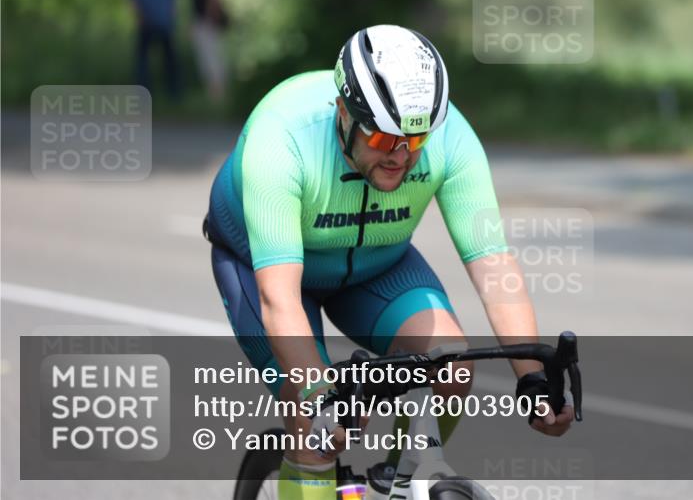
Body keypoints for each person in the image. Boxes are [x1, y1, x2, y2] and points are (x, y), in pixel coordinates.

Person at [203, 25, 572, 498]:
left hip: (379, 266)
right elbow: (279, 297)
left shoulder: (450, 137)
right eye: (383, 139)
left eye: (415, 142)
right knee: (317, 430)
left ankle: (397, 483)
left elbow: (493, 265)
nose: (401, 156)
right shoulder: (282, 136)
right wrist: (319, 397)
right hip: (264, 270)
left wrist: (534, 380)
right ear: (343, 113)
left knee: (452, 367)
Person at [129, 0, 181, 99]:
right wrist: (139, 16)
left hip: (164, 23)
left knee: (169, 60)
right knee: (143, 61)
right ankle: (144, 93)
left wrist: (173, 17)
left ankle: (173, 94)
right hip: (147, 23)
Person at [190, 0, 228, 103]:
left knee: (212, 54)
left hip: (208, 19)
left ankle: (218, 90)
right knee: (204, 55)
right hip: (199, 18)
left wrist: (212, 14)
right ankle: (213, 90)